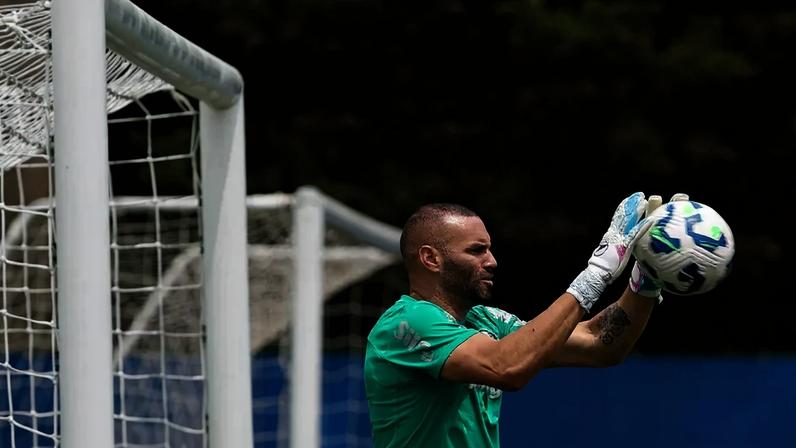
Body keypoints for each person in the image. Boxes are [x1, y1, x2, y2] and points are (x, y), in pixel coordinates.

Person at [364, 192, 685, 447]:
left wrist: (646, 278)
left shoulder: (486, 321)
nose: (492, 261)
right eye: (477, 251)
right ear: (431, 258)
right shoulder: (406, 322)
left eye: (488, 250)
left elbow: (598, 344)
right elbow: (505, 368)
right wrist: (597, 273)